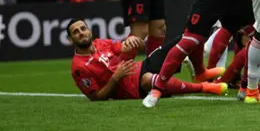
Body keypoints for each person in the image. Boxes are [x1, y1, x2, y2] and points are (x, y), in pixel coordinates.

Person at [69, 20, 226, 101]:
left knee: (187, 37)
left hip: (142, 66)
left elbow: (125, 47)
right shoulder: (79, 67)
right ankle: (204, 87)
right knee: (147, 80)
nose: (81, 33)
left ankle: (200, 72)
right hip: (132, 89)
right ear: (70, 39)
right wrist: (115, 78)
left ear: (88, 30)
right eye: (76, 32)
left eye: (83, 28)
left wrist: (133, 42)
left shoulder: (100, 43)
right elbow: (95, 97)